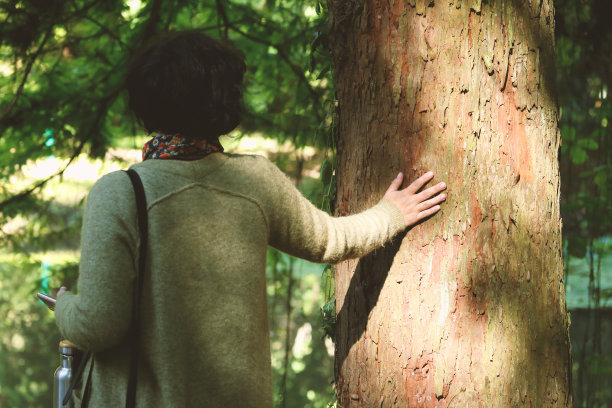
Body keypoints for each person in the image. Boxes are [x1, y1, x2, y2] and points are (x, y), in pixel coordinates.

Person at [54, 30, 447, 407]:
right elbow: (330, 240)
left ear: (145, 103)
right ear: (224, 102)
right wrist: (392, 214)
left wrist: (63, 305)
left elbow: (98, 326)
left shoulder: (118, 193)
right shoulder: (255, 180)